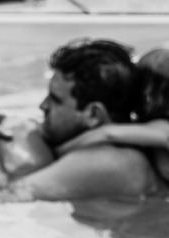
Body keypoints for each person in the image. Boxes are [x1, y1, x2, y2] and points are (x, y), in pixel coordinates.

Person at [0, 38, 165, 202]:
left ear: (93, 114)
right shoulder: (115, 143)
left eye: (55, 100)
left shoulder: (109, 161)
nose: (42, 106)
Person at [57, 48, 169, 184]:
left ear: (147, 94)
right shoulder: (148, 128)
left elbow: (107, 133)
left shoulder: (163, 127)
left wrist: (58, 152)